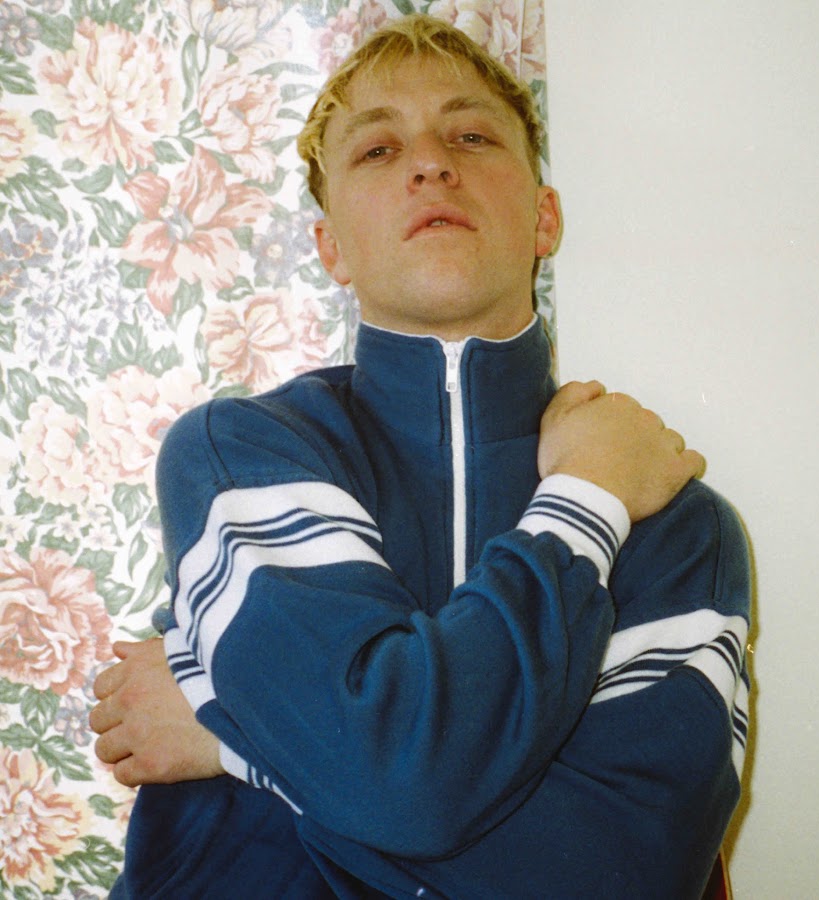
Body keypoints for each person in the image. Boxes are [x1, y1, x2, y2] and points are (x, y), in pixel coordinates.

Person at [90, 14, 750, 899]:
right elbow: (395, 777)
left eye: (470, 136)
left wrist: (232, 738)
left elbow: (615, 873)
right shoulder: (243, 451)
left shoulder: (675, 520)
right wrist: (589, 505)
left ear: (544, 218)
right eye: (377, 150)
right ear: (330, 248)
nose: (431, 163)